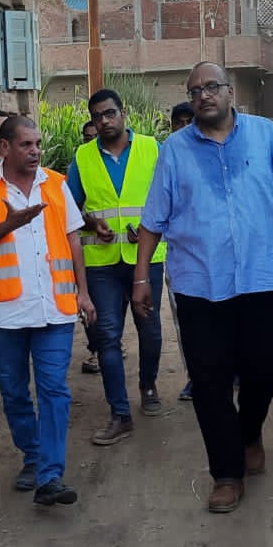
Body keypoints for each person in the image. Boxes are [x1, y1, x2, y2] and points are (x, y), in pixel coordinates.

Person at [132, 63, 273, 514]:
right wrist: (141, 279)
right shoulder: (175, 150)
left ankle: (249, 434)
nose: (203, 96)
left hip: (259, 277)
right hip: (199, 283)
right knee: (209, 380)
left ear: (230, 92)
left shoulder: (265, 136)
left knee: (263, 368)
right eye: (195, 91)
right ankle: (227, 474)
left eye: (211, 87)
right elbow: (153, 220)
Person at [0, 115, 95, 506]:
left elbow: (73, 240)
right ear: (4, 147)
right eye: (26, 145)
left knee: (54, 390)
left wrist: (84, 293)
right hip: (7, 312)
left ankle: (50, 474)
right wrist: (8, 224)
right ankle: (32, 456)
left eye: (38, 144)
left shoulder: (56, 184)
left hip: (55, 308)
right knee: (15, 393)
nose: (35, 151)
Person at [70, 87, 169, 445]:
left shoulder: (152, 149)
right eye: (97, 117)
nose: (104, 121)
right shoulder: (82, 157)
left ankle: (148, 384)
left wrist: (149, 228)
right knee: (106, 336)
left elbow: (170, 199)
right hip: (101, 263)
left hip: (146, 258)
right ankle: (120, 414)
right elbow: (70, 210)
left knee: (150, 330)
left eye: (110, 113)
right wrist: (91, 222)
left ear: (123, 113)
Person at [166, 101, 196, 400]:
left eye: (191, 121)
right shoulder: (165, 157)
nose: (184, 127)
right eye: (179, 122)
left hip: (220, 254)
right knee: (186, 321)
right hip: (179, 257)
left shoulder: (216, 153)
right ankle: (195, 376)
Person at [78, 117, 103, 376]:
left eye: (95, 137)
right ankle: (96, 349)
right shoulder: (79, 165)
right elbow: (70, 210)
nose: (92, 141)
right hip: (89, 252)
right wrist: (91, 223)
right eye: (87, 138)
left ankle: (109, 343)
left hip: (123, 252)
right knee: (91, 305)